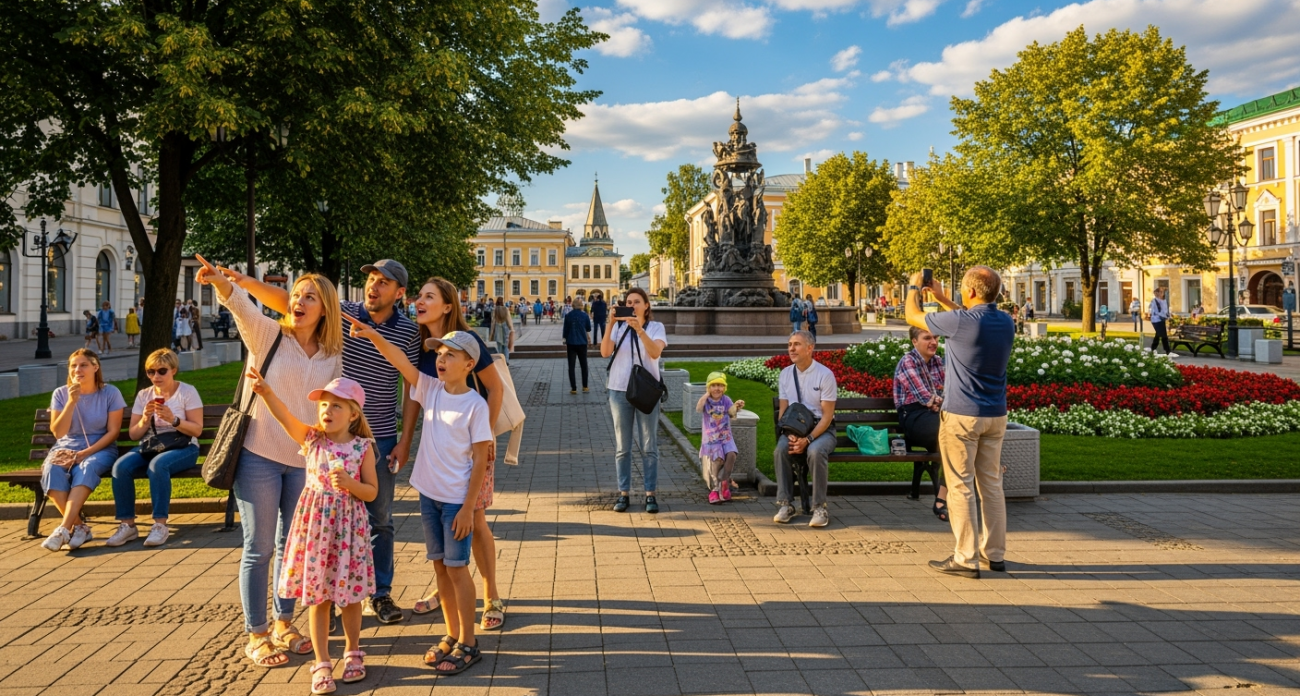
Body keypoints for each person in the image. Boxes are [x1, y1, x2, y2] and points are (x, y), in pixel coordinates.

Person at [215, 259, 421, 627]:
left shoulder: (397, 334)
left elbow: (411, 382)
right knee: (299, 533)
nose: (374, 286)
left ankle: (372, 594)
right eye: (372, 279)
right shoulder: (336, 316)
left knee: (377, 520)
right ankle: (312, 608)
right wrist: (241, 282)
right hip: (311, 443)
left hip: (371, 437)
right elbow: (283, 303)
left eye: (383, 282)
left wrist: (406, 438)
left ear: (399, 292)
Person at [196, 255, 343, 667]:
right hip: (258, 456)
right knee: (259, 547)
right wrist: (221, 282)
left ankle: (284, 623)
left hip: (303, 462)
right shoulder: (268, 334)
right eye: (296, 294)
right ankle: (257, 633)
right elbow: (240, 306)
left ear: (325, 308)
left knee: (291, 547)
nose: (299, 301)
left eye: (309, 297)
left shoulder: (333, 353)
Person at [351, 326, 492, 676]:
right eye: (439, 354)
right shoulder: (430, 389)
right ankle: (452, 633)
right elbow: (400, 361)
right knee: (440, 567)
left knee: (457, 569)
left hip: (456, 502)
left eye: (450, 355)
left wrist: (468, 507)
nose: (441, 360)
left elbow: (480, 461)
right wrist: (373, 336)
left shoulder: (475, 405)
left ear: (469, 364)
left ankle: (469, 642)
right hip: (429, 496)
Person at [247, 372, 378, 694]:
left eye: (336, 406)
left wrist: (351, 484)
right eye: (323, 405)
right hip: (317, 532)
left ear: (353, 414)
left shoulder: (363, 447)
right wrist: (266, 392)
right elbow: (284, 417)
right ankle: (322, 662)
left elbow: (372, 491)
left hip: (348, 534)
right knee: (319, 598)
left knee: (351, 598)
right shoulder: (312, 439)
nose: (326, 411)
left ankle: (352, 652)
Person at [401, 278, 508, 632]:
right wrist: (406, 441)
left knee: (474, 517)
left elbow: (495, 388)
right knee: (447, 527)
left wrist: (485, 438)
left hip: (473, 443)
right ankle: (448, 584)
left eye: (428, 296)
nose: (419, 301)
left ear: (448, 306)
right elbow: (414, 392)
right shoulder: (422, 347)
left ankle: (491, 594)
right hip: (440, 448)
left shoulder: (467, 341)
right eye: (419, 295)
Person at [905, 266, 1015, 579]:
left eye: (963, 290)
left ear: (970, 291)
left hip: (963, 417)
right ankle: (995, 555)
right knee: (991, 485)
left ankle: (965, 559)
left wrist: (914, 288)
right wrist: (942, 298)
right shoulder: (1005, 321)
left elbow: (912, 316)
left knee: (960, 486)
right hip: (995, 416)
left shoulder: (961, 322)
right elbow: (968, 319)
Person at [106, 349, 204, 548]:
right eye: (151, 372)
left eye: (162, 371)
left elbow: (197, 430)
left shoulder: (187, 392)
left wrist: (174, 420)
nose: (156, 376)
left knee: (158, 465)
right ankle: (127, 525)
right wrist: (144, 419)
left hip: (184, 446)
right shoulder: (144, 395)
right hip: (152, 446)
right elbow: (134, 435)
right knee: (120, 467)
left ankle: (160, 525)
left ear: (173, 370)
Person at [38, 349, 127, 551]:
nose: (77, 370)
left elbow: (113, 432)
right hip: (66, 447)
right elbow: (59, 433)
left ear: (95, 367)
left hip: (100, 448)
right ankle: (80, 527)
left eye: (83, 365)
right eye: (73, 366)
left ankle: (63, 529)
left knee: (86, 467)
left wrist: (85, 453)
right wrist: (71, 402)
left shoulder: (110, 393)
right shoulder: (61, 394)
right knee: (52, 469)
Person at [599, 288, 668, 514]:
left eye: (637, 302)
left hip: (646, 391)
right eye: (628, 302)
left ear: (646, 305)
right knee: (622, 447)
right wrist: (610, 323)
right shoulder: (619, 328)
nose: (632, 305)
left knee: (649, 445)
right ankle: (623, 493)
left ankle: (650, 494)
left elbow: (655, 352)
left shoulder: (656, 327)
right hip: (619, 390)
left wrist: (639, 330)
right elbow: (605, 352)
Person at [772, 331, 837, 528]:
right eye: (789, 344)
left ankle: (819, 508)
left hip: (822, 430)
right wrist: (789, 434)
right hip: (794, 429)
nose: (791, 348)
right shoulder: (785, 374)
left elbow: (827, 416)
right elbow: (784, 412)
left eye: (797, 344)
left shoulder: (825, 375)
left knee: (815, 451)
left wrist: (808, 439)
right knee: (781, 449)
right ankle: (786, 504)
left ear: (810, 348)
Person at [893, 327, 948, 522]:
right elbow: (924, 396)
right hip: (913, 418)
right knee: (955, 432)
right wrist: (937, 402)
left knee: (957, 440)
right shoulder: (908, 361)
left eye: (936, 337)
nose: (933, 342)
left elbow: (948, 391)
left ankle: (942, 497)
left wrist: (939, 402)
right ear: (914, 341)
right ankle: (946, 497)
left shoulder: (938, 361)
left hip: (935, 416)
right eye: (927, 338)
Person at [696, 372, 744, 504]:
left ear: (724, 387)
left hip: (726, 437)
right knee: (716, 462)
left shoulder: (726, 399)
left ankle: (724, 482)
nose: (717, 388)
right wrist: (706, 394)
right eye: (713, 385)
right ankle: (715, 489)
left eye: (720, 385)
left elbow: (731, 412)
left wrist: (736, 406)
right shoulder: (706, 401)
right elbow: (698, 408)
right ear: (708, 387)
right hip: (711, 440)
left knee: (732, 455)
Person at [563, 298, 592, 394]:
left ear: (573, 305)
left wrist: (564, 338)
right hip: (582, 343)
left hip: (571, 342)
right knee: (584, 365)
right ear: (581, 305)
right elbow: (588, 328)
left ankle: (574, 388)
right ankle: (585, 386)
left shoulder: (568, 315)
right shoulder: (585, 315)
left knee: (571, 366)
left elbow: (565, 330)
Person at [1148, 286, 1174, 355]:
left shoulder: (1164, 301)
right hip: (1156, 320)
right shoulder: (1154, 301)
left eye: (1163, 292)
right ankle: (1167, 350)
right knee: (1163, 335)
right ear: (1157, 293)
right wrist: (1163, 315)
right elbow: (1154, 311)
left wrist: (1168, 315)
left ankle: (1153, 349)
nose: (1162, 293)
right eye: (1160, 292)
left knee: (1159, 334)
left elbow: (1166, 310)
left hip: (1162, 320)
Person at [491, 297, 514, 362]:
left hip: (497, 328)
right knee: (506, 345)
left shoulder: (494, 309)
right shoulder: (505, 309)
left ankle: (501, 360)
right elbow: (509, 319)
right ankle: (506, 360)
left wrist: (492, 332)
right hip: (505, 327)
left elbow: (493, 321)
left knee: (499, 346)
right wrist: (511, 328)